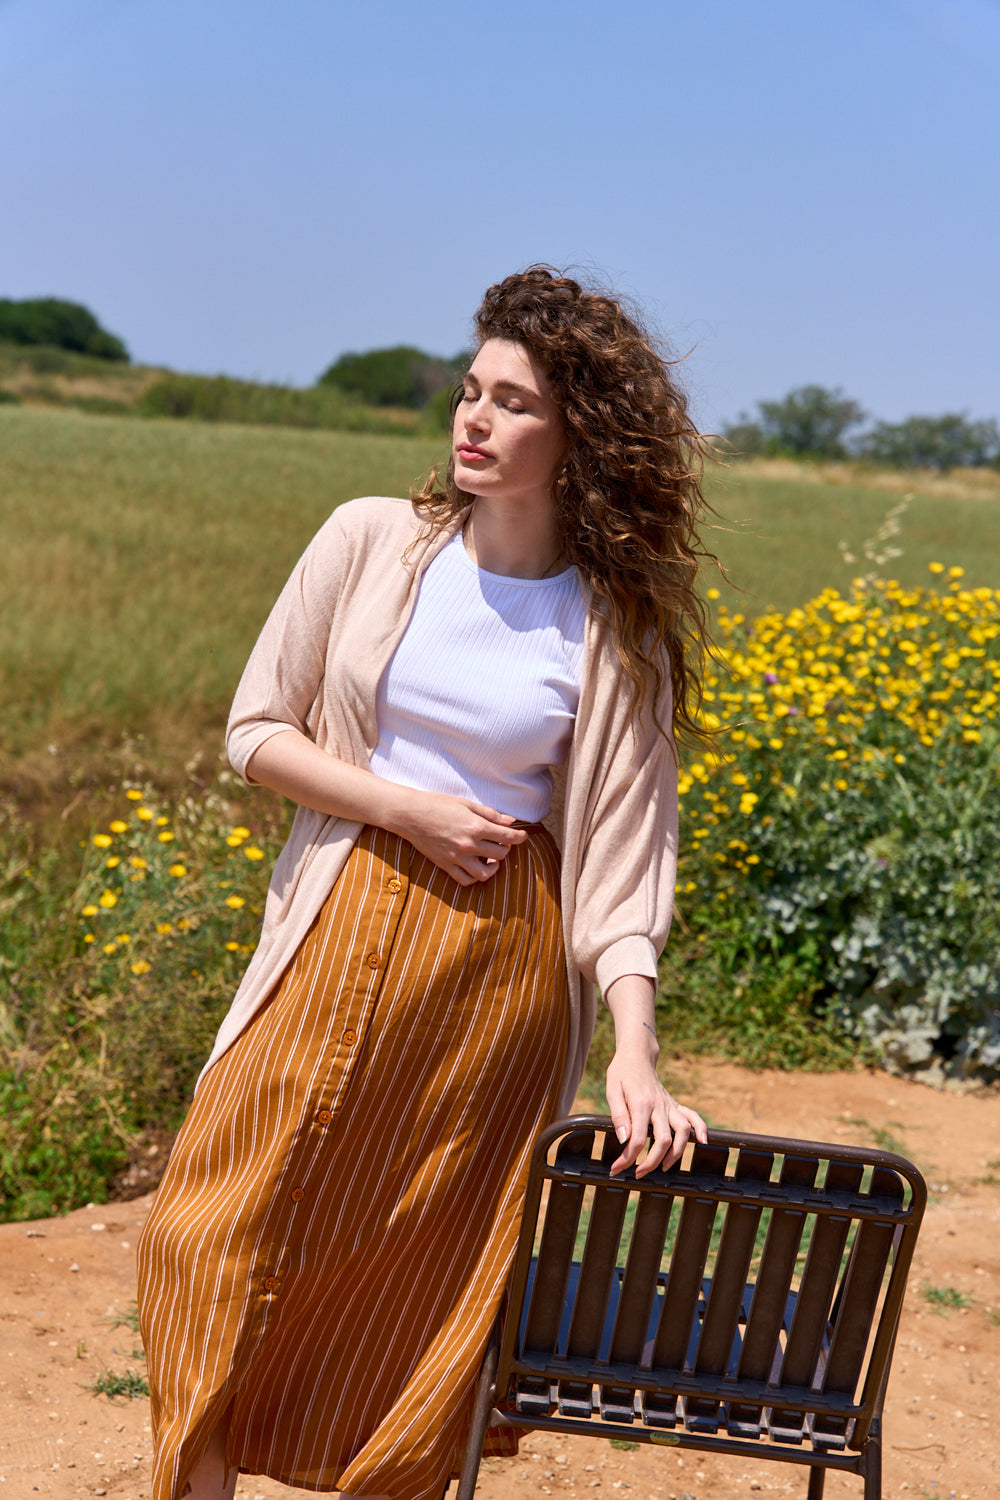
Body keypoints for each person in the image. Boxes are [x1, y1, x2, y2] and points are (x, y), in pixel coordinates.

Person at [137, 265, 713, 1500]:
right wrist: (403, 806)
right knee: (204, 1230)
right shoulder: (370, 540)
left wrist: (635, 1046)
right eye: (470, 391)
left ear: (576, 442)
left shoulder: (613, 633)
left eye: (511, 403)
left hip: (493, 977)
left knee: (417, 1282)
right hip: (337, 914)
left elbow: (621, 858)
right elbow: (256, 731)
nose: (473, 419)